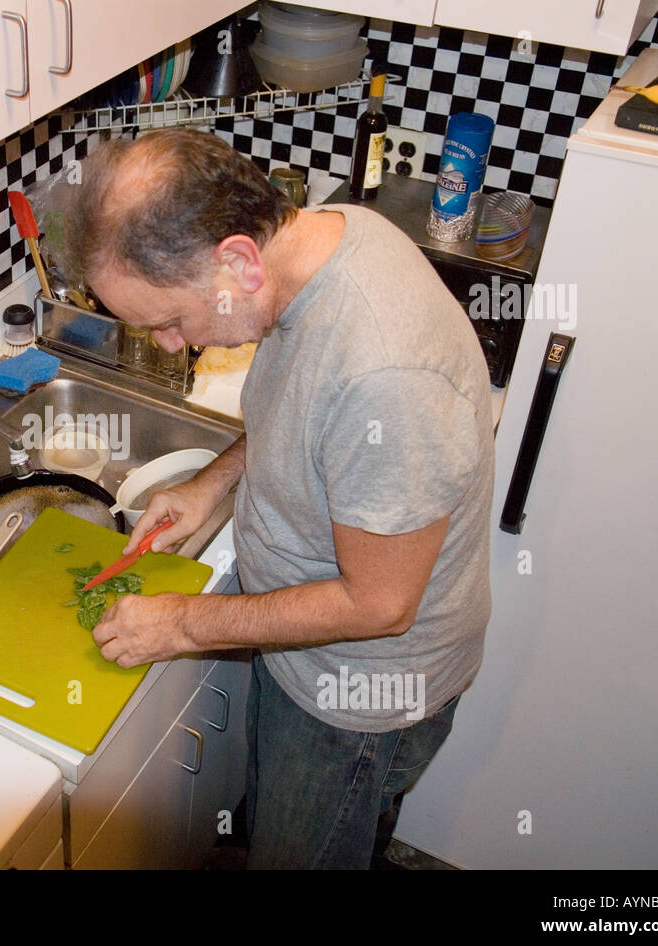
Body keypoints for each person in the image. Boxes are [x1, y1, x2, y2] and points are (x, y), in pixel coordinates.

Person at [64, 129, 493, 869]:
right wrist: (212, 484)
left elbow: (379, 604)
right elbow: (301, 406)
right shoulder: (331, 235)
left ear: (237, 261)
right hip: (309, 659)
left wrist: (186, 624)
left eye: (171, 319)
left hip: (355, 700)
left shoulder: (387, 372)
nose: (168, 345)